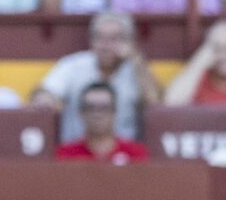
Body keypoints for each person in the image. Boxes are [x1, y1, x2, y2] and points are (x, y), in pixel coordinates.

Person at [34, 10, 156, 141]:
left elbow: (155, 105)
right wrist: (47, 98)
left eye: (114, 39)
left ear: (128, 42)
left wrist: (137, 61)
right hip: (76, 148)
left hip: (124, 151)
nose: (105, 45)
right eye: (99, 38)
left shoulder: (136, 69)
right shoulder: (73, 65)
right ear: (91, 40)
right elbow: (46, 92)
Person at [54, 82, 150, 160]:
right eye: (91, 108)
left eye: (104, 108)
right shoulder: (66, 155)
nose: (97, 114)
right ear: (81, 112)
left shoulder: (136, 154)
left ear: (114, 112)